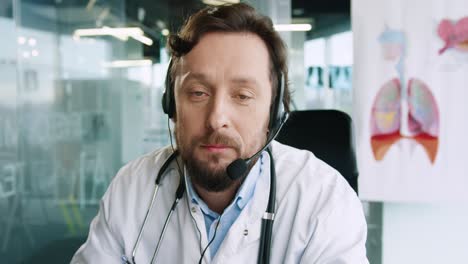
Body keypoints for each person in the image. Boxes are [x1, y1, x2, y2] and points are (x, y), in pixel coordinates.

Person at [71, 3, 368, 264]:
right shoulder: (132, 190)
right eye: (198, 93)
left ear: (274, 114)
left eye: (242, 95)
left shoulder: (323, 201)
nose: (216, 119)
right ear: (171, 105)